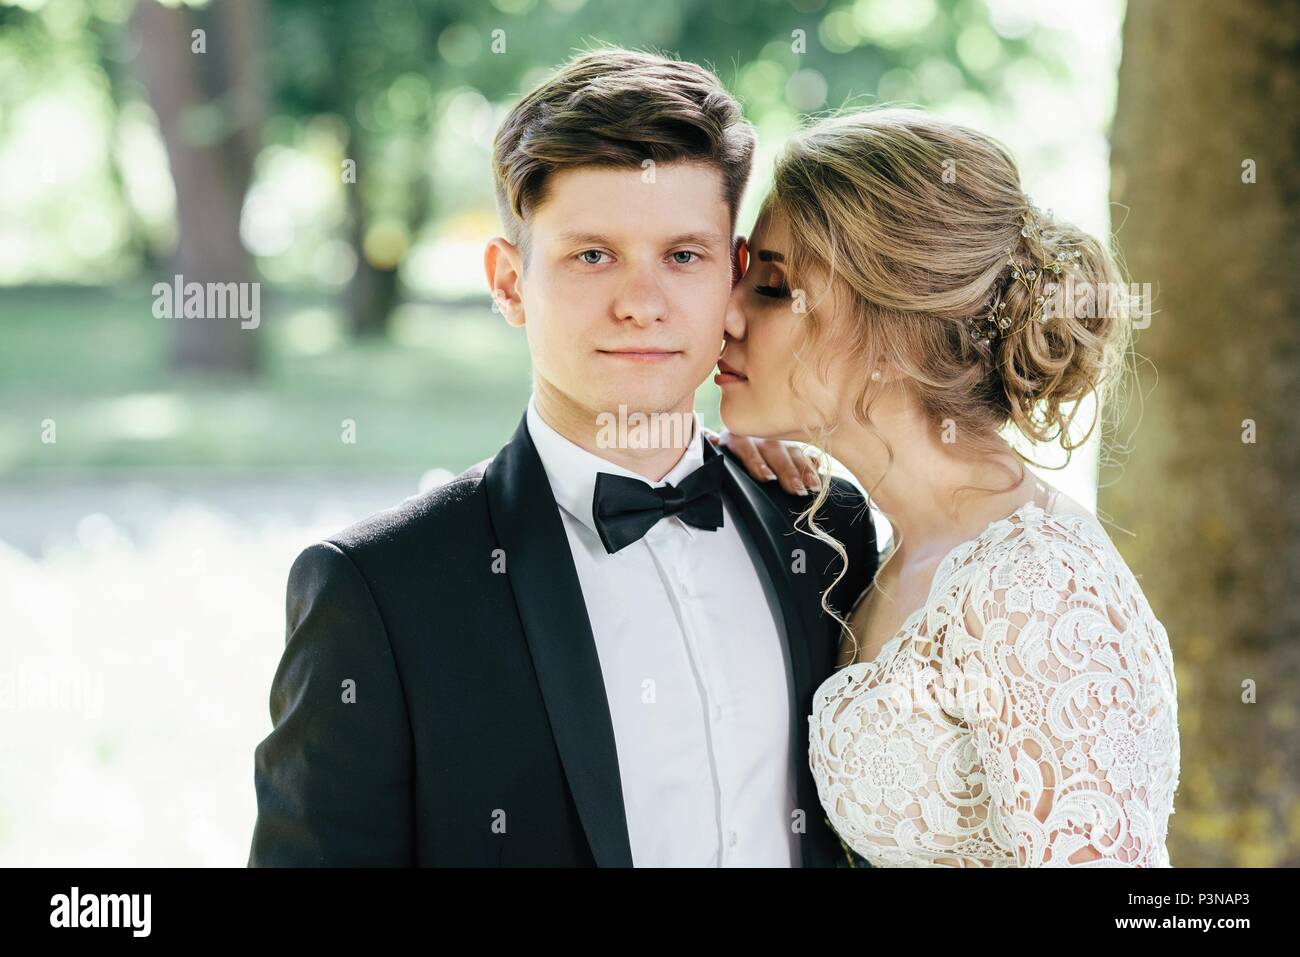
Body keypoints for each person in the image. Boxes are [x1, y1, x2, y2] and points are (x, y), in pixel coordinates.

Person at [247, 47, 877, 868]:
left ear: (734, 275)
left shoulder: (824, 528)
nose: (642, 303)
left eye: (683, 255)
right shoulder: (377, 591)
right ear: (510, 282)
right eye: (593, 255)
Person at [716, 106, 1181, 866]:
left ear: (894, 335)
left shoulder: (1036, 590)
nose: (725, 315)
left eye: (771, 287)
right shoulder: (895, 545)